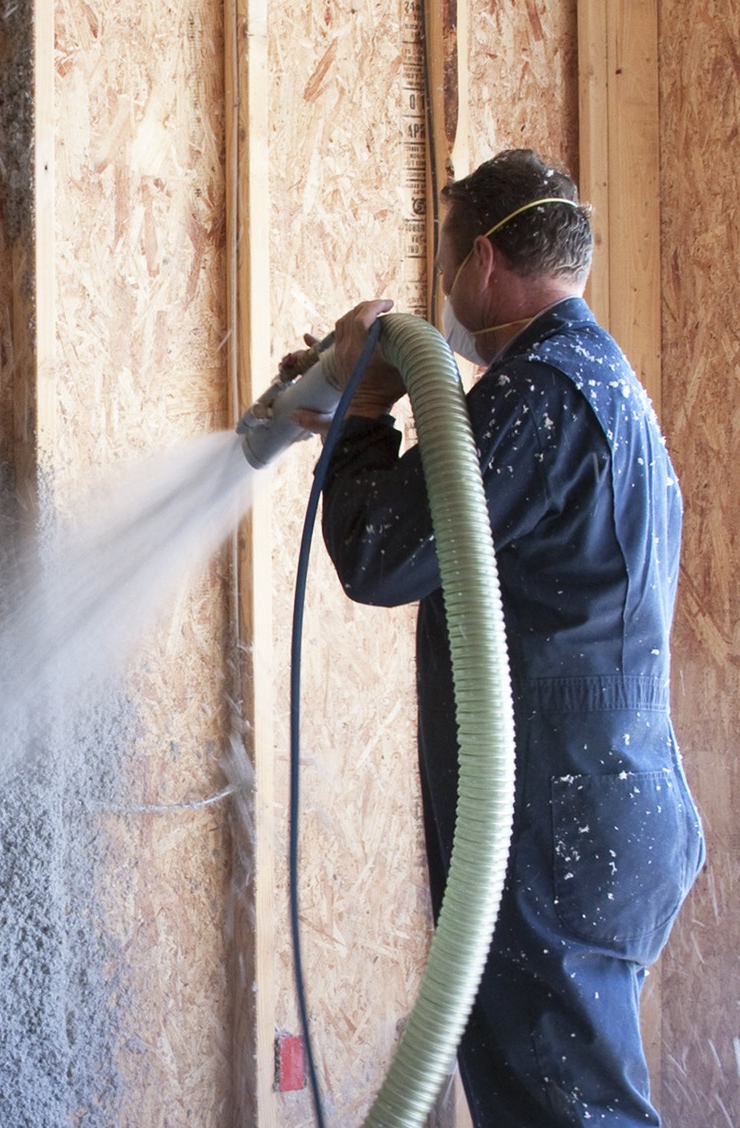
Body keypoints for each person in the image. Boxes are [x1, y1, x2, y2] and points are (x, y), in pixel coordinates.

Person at [293, 149, 706, 1125]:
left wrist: (360, 414)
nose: (443, 289)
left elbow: (382, 550)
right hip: (607, 808)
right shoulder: (603, 384)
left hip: (561, 829)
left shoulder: (540, 393)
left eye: (446, 260)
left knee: (568, 1113)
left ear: (482, 258)